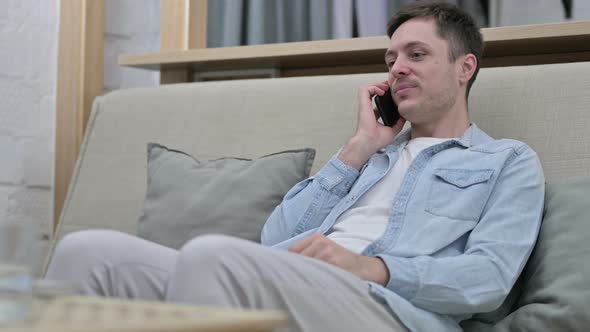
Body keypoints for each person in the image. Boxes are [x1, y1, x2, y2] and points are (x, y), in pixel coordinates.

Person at [46, 2, 545, 331]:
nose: (397, 68)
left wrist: (370, 266)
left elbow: (489, 277)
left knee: (213, 256)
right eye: (391, 58)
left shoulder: (506, 161)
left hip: (392, 311)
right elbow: (274, 240)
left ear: (465, 68)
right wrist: (357, 149)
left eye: (417, 54)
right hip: (301, 286)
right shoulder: (369, 156)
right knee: (89, 251)